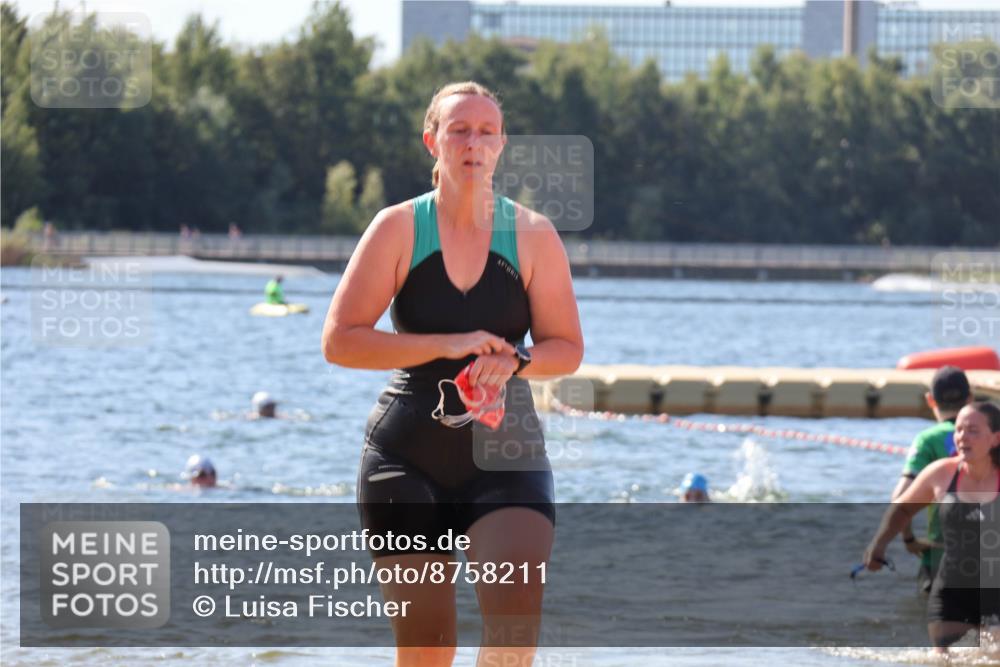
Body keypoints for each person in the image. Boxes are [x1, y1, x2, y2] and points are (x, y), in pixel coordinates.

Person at [322, 81, 583, 667]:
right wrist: (453, 343)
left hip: (507, 456)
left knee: (514, 635)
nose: (473, 143)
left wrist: (516, 360)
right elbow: (340, 342)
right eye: (459, 130)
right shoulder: (397, 228)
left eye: (487, 131)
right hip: (405, 457)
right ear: (431, 141)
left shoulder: (534, 235)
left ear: (501, 145)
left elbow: (566, 349)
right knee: (428, 650)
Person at [863, 401, 1000, 651]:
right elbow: (902, 508)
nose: (962, 437)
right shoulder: (941, 474)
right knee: (943, 660)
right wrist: (878, 544)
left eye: (972, 431)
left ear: (995, 438)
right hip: (951, 588)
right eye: (958, 430)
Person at [890, 366, 973, 593]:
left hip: (939, 559)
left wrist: (909, 540)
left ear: (930, 400)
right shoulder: (991, 435)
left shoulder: (928, 440)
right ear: (970, 398)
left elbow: (899, 498)